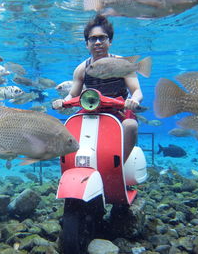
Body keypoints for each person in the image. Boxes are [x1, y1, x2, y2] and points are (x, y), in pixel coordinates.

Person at [52, 14, 143, 162]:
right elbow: (73, 94)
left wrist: (134, 100)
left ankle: (120, 165)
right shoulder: (81, 69)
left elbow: (137, 91)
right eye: (93, 38)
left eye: (102, 38)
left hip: (120, 109)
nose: (98, 42)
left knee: (131, 125)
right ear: (87, 43)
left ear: (110, 41)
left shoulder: (122, 63)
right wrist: (62, 102)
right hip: (92, 109)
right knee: (68, 130)